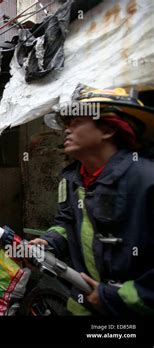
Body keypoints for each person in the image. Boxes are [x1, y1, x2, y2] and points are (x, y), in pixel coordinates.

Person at [30, 85, 154, 315]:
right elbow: (66, 222)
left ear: (107, 129)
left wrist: (114, 297)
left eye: (76, 122)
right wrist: (48, 243)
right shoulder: (73, 179)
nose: (67, 129)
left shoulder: (145, 179)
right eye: (66, 124)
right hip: (82, 306)